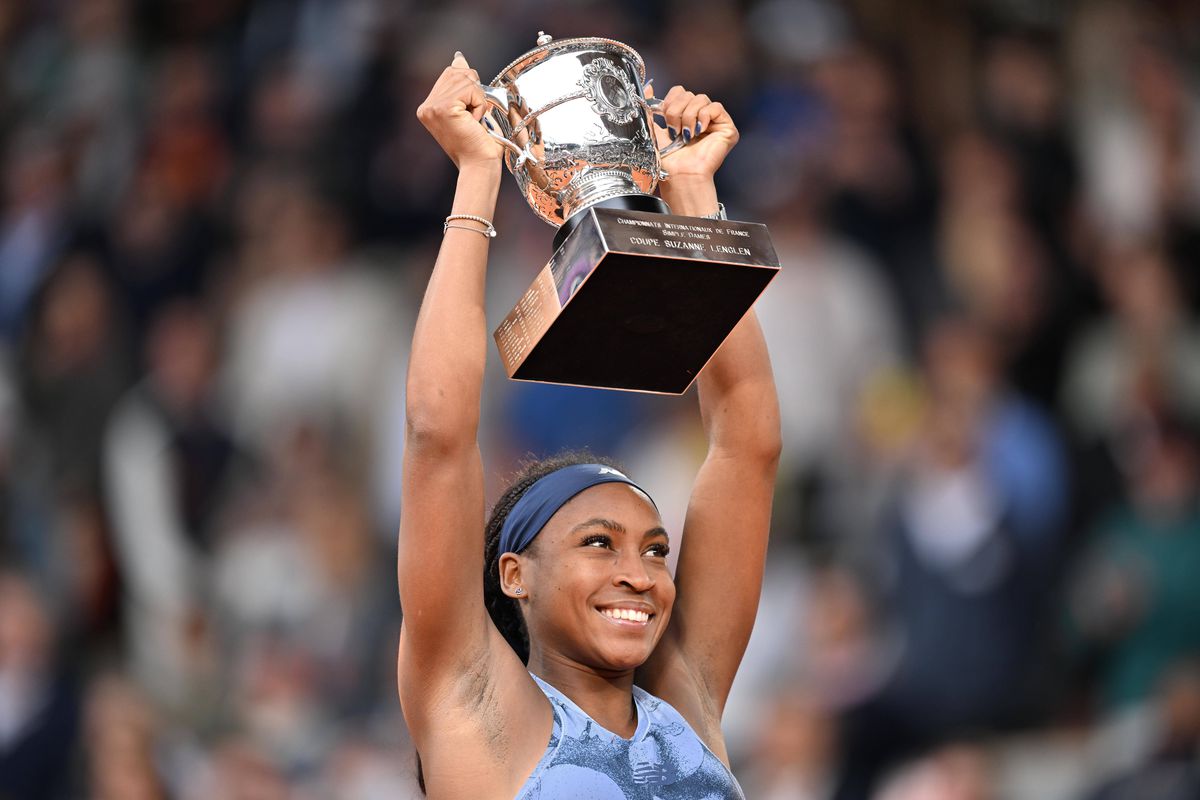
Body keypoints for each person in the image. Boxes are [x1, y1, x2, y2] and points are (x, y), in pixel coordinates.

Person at [398, 52, 780, 798]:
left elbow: (746, 441)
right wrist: (477, 173)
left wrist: (692, 196)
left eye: (655, 550)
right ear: (515, 576)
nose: (639, 575)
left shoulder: (682, 701)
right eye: (599, 544)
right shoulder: (476, 710)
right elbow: (436, 435)